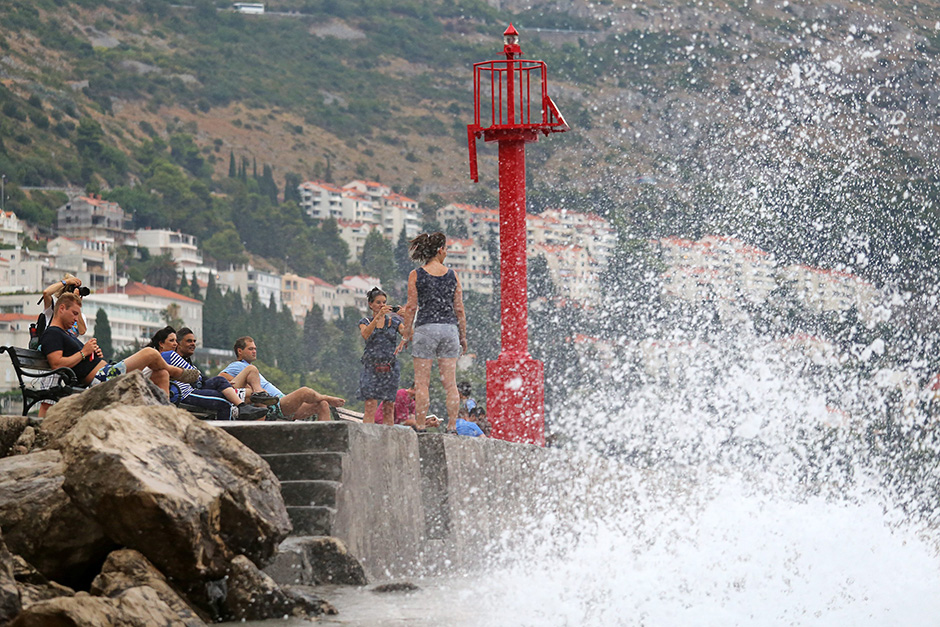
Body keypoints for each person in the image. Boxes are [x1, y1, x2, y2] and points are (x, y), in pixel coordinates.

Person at [40, 292, 199, 396]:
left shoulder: (65, 334)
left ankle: (166, 416)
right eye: (74, 313)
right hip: (101, 379)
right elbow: (56, 364)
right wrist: (84, 352)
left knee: (161, 374)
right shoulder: (52, 333)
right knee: (150, 353)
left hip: (107, 372)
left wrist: (92, 354)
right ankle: (177, 372)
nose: (76, 319)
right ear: (61, 308)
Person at [400, 232, 467, 432]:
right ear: (440, 250)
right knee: (450, 384)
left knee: (422, 384)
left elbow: (411, 307)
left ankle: (420, 427)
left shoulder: (416, 274)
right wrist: (462, 337)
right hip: (449, 329)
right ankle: (452, 426)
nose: (446, 253)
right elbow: (460, 309)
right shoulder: (452, 275)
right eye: (445, 249)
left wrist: (406, 334)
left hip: (425, 329)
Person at [220, 336, 346, 421]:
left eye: (255, 349)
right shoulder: (237, 365)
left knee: (322, 405)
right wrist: (246, 388)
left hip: (283, 402)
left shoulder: (249, 367)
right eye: (250, 349)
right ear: (240, 351)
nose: (254, 351)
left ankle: (327, 440)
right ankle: (327, 397)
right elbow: (221, 379)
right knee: (305, 392)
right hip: (275, 405)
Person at [161, 327, 267, 421]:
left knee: (220, 383)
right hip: (185, 393)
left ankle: (243, 404)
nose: (193, 344)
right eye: (172, 341)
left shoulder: (185, 360)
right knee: (225, 401)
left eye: (194, 341)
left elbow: (199, 377)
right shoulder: (169, 355)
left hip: (195, 388)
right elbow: (195, 376)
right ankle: (233, 421)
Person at [35, 274, 89, 417]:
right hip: (54, 353)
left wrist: (76, 303)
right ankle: (39, 427)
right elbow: (46, 293)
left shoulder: (76, 315)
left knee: (61, 401)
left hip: (70, 360)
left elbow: (82, 330)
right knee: (47, 400)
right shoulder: (54, 310)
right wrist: (67, 282)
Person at [359, 287, 407, 426]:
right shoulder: (365, 321)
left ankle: (387, 440)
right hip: (371, 366)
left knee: (389, 407)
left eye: (384, 302)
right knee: (370, 405)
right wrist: (378, 317)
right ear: (370, 304)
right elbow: (366, 334)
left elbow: (408, 334)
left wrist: (407, 317)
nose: (382, 305)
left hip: (389, 367)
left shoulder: (394, 322)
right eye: (378, 302)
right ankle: (367, 435)